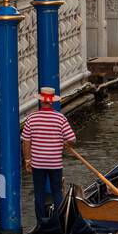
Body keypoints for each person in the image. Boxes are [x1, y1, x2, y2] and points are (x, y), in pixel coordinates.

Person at [21, 87, 77, 222]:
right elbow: (72, 139)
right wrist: (64, 144)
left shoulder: (31, 118)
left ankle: (41, 221)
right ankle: (58, 221)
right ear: (52, 102)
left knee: (39, 193)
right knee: (56, 192)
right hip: (54, 162)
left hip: (38, 163)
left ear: (41, 101)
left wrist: (27, 160)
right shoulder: (60, 118)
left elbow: (26, 142)